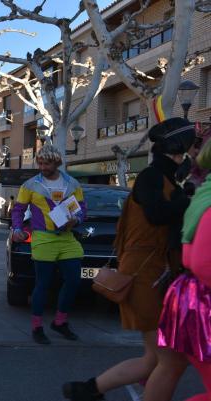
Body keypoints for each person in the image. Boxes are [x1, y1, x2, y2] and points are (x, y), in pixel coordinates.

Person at [63, 117, 195, 401]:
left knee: (153, 359)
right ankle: (88, 389)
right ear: (177, 148)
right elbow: (158, 214)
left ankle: (88, 390)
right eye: (186, 148)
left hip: (154, 273)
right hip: (145, 275)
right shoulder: (151, 177)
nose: (188, 153)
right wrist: (188, 198)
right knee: (170, 361)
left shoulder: (165, 177)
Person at [12, 145, 86, 345]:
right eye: (41, 163)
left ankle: (60, 322)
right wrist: (17, 229)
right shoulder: (30, 185)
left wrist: (76, 220)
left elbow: (81, 210)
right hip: (43, 238)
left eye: (47, 163)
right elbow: (18, 209)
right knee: (42, 284)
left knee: (73, 280)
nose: (43, 167)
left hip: (67, 238)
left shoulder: (72, 184)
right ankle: (37, 327)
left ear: (57, 163)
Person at [156, 138, 211, 401]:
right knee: (163, 365)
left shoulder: (204, 194)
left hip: (191, 300)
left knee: (166, 366)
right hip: (200, 306)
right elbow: (203, 263)